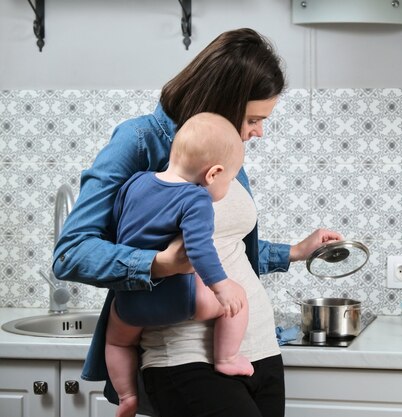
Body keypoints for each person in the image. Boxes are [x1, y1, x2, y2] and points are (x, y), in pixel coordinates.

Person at [53, 27, 343, 417]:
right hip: (185, 358)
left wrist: (293, 252)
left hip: (259, 351)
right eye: (254, 118)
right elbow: (71, 254)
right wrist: (159, 264)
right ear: (223, 101)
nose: (259, 131)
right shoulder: (139, 141)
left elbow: (221, 247)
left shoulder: (222, 148)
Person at [106, 112, 252, 417]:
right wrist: (222, 287)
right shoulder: (196, 198)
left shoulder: (136, 182)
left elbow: (117, 224)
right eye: (227, 181)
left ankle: (127, 395)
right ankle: (227, 358)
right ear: (213, 174)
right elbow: (200, 249)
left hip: (130, 301)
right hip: (180, 299)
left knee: (117, 343)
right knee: (238, 300)